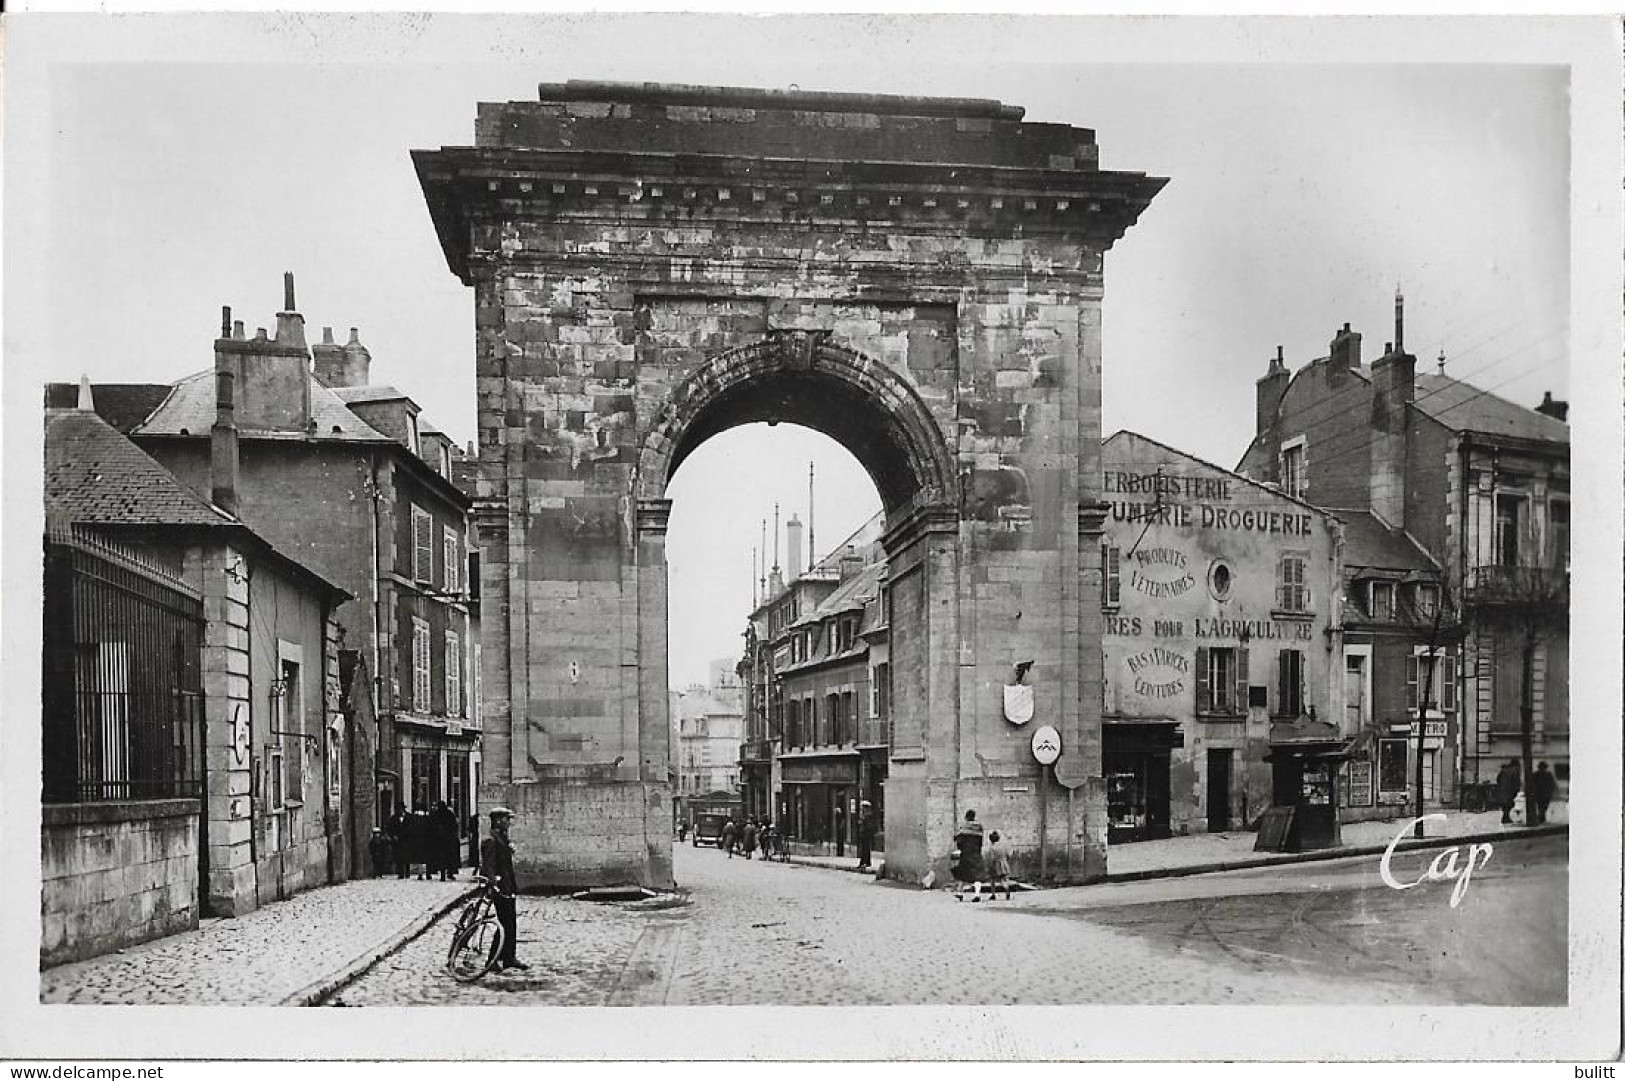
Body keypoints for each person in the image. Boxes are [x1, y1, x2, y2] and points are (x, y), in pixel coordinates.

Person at [478, 806, 527, 971]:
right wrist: (494, 885)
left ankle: (509, 957)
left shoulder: (502, 837)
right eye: (507, 819)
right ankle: (492, 960)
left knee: (511, 922)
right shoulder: (490, 840)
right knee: (504, 924)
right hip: (500, 888)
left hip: (508, 886)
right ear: (498, 820)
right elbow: (488, 867)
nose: (509, 823)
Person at [953, 809, 986, 901]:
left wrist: (961, 848)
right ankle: (977, 894)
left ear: (966, 817)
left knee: (962, 874)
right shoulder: (979, 827)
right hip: (976, 853)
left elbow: (958, 840)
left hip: (966, 854)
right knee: (977, 876)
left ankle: (959, 892)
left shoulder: (963, 827)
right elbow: (981, 842)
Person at [430, 800, 461, 881]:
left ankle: (442, 874)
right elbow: (454, 826)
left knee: (441, 858)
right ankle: (450, 873)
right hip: (448, 840)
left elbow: (432, 826)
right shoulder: (449, 814)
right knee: (449, 857)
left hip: (439, 840)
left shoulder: (436, 814)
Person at [986, 830, 1012, 901]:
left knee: (992, 880)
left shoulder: (992, 847)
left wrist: (990, 865)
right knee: (1004, 879)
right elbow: (1008, 855)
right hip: (1004, 863)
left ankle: (993, 894)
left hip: (996, 865)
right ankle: (1007, 889)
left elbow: (992, 858)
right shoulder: (1003, 846)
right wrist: (1005, 861)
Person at [388, 804, 412, 879]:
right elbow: (389, 828)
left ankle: (407, 873)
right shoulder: (393, 818)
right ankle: (400, 873)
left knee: (407, 856)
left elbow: (412, 828)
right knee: (399, 857)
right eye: (399, 809)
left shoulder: (409, 817)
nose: (400, 811)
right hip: (397, 841)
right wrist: (393, 836)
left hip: (407, 840)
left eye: (401, 809)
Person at [1496, 759, 1522, 825]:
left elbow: (1498, 779)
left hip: (1502, 790)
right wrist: (1517, 790)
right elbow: (1516, 782)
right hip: (1510, 791)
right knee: (1509, 804)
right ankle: (1506, 818)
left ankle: (1505, 817)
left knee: (1505, 805)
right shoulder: (1514, 771)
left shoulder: (1504, 771)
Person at [856, 801, 876, 872]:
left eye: (863, 807)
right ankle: (863, 862)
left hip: (866, 834)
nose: (862, 809)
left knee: (866, 849)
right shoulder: (864, 815)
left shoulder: (868, 815)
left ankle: (866, 862)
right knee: (863, 849)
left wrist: (862, 822)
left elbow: (869, 826)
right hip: (863, 834)